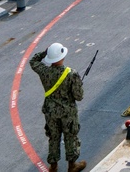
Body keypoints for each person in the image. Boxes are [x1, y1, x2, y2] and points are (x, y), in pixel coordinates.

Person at [30, 42, 86, 172]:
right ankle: (72, 165)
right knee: (70, 136)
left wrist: (45, 52)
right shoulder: (72, 74)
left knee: (54, 137)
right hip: (68, 112)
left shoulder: (44, 72)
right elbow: (79, 96)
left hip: (50, 111)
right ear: (62, 56)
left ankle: (53, 166)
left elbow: (33, 61)